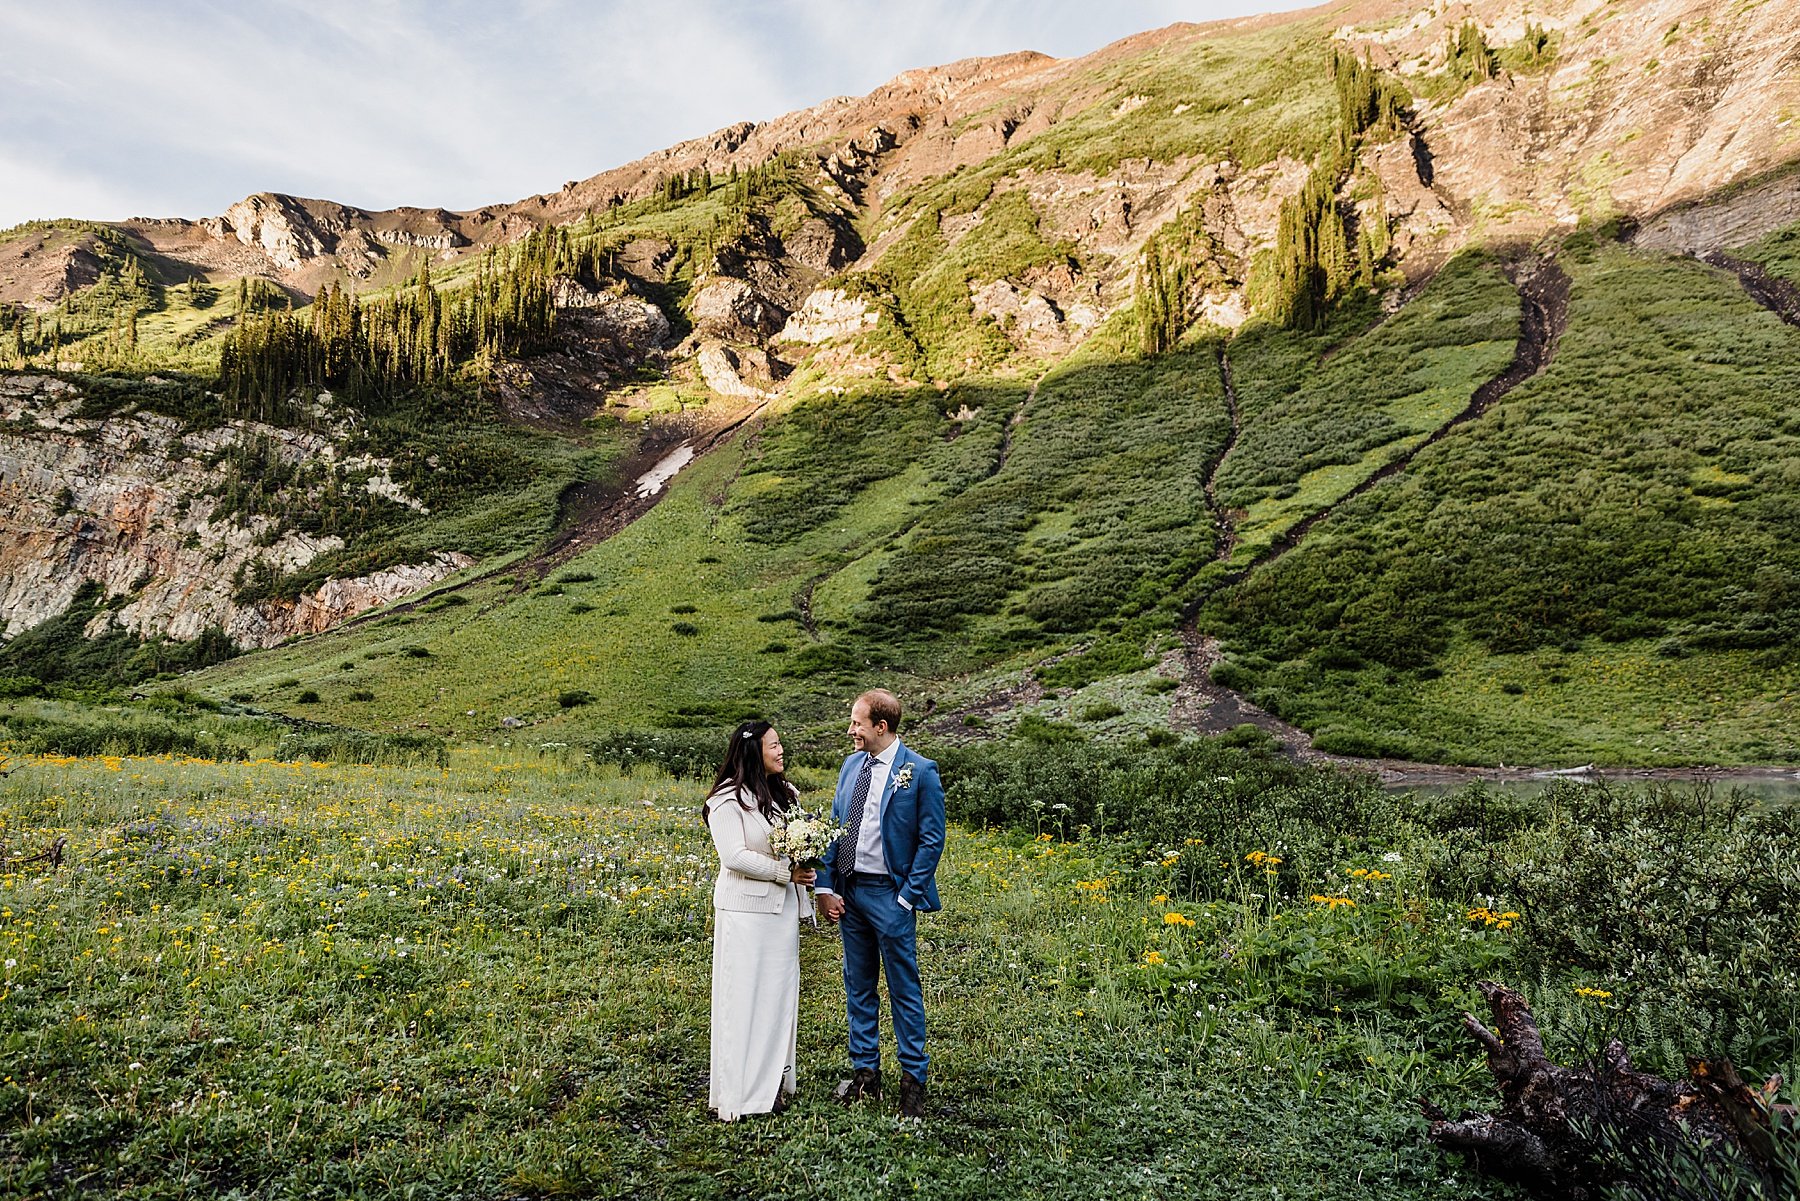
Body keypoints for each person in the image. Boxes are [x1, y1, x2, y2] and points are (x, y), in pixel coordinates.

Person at [815, 689, 945, 1119]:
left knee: (903, 989)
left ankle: (913, 1082)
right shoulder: (851, 765)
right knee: (858, 985)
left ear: (880, 727)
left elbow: (931, 839)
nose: (851, 730)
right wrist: (827, 886)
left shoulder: (920, 772)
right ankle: (866, 1074)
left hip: (891, 895)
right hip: (850, 893)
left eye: (857, 722)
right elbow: (837, 828)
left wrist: (907, 896)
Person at [704, 719, 815, 1121]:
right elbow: (732, 856)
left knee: (778, 998)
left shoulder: (786, 794)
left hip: (780, 912)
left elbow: (799, 842)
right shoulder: (725, 801)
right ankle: (741, 1093)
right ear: (754, 752)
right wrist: (784, 873)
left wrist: (807, 865)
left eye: (780, 743)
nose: (782, 751)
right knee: (744, 998)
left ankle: (772, 1086)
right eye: (774, 746)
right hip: (745, 912)